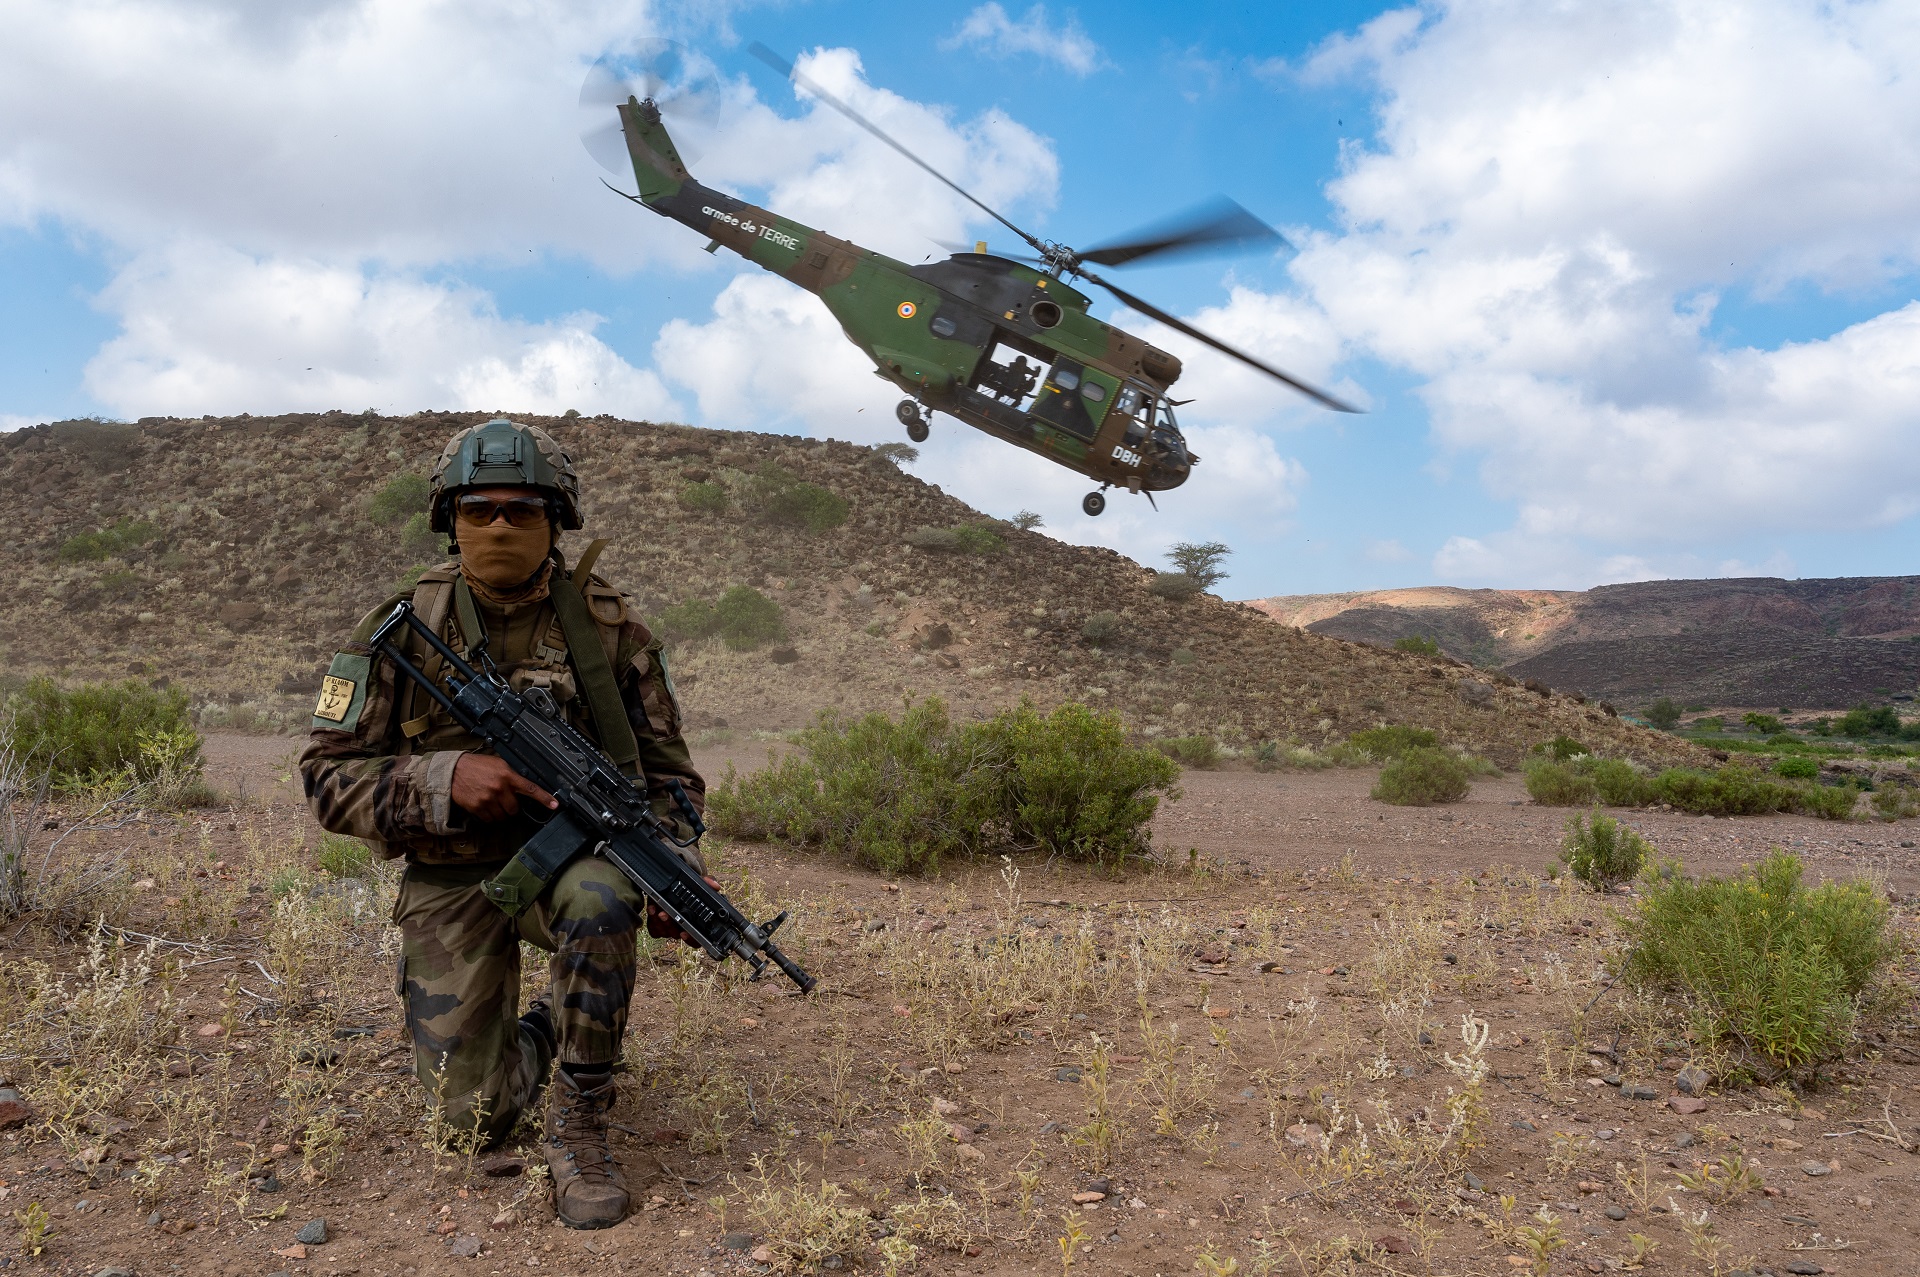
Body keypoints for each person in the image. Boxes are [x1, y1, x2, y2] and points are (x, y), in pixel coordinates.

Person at [299, 418, 706, 1230]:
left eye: (522, 511)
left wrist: (672, 867)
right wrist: (445, 778)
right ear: (449, 518)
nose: (499, 528)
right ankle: (549, 1024)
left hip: (566, 868)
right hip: (452, 875)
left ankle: (582, 1124)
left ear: (557, 521)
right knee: (472, 1124)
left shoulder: (612, 630)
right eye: (479, 510)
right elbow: (325, 776)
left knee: (600, 894)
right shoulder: (400, 629)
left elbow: (672, 782)